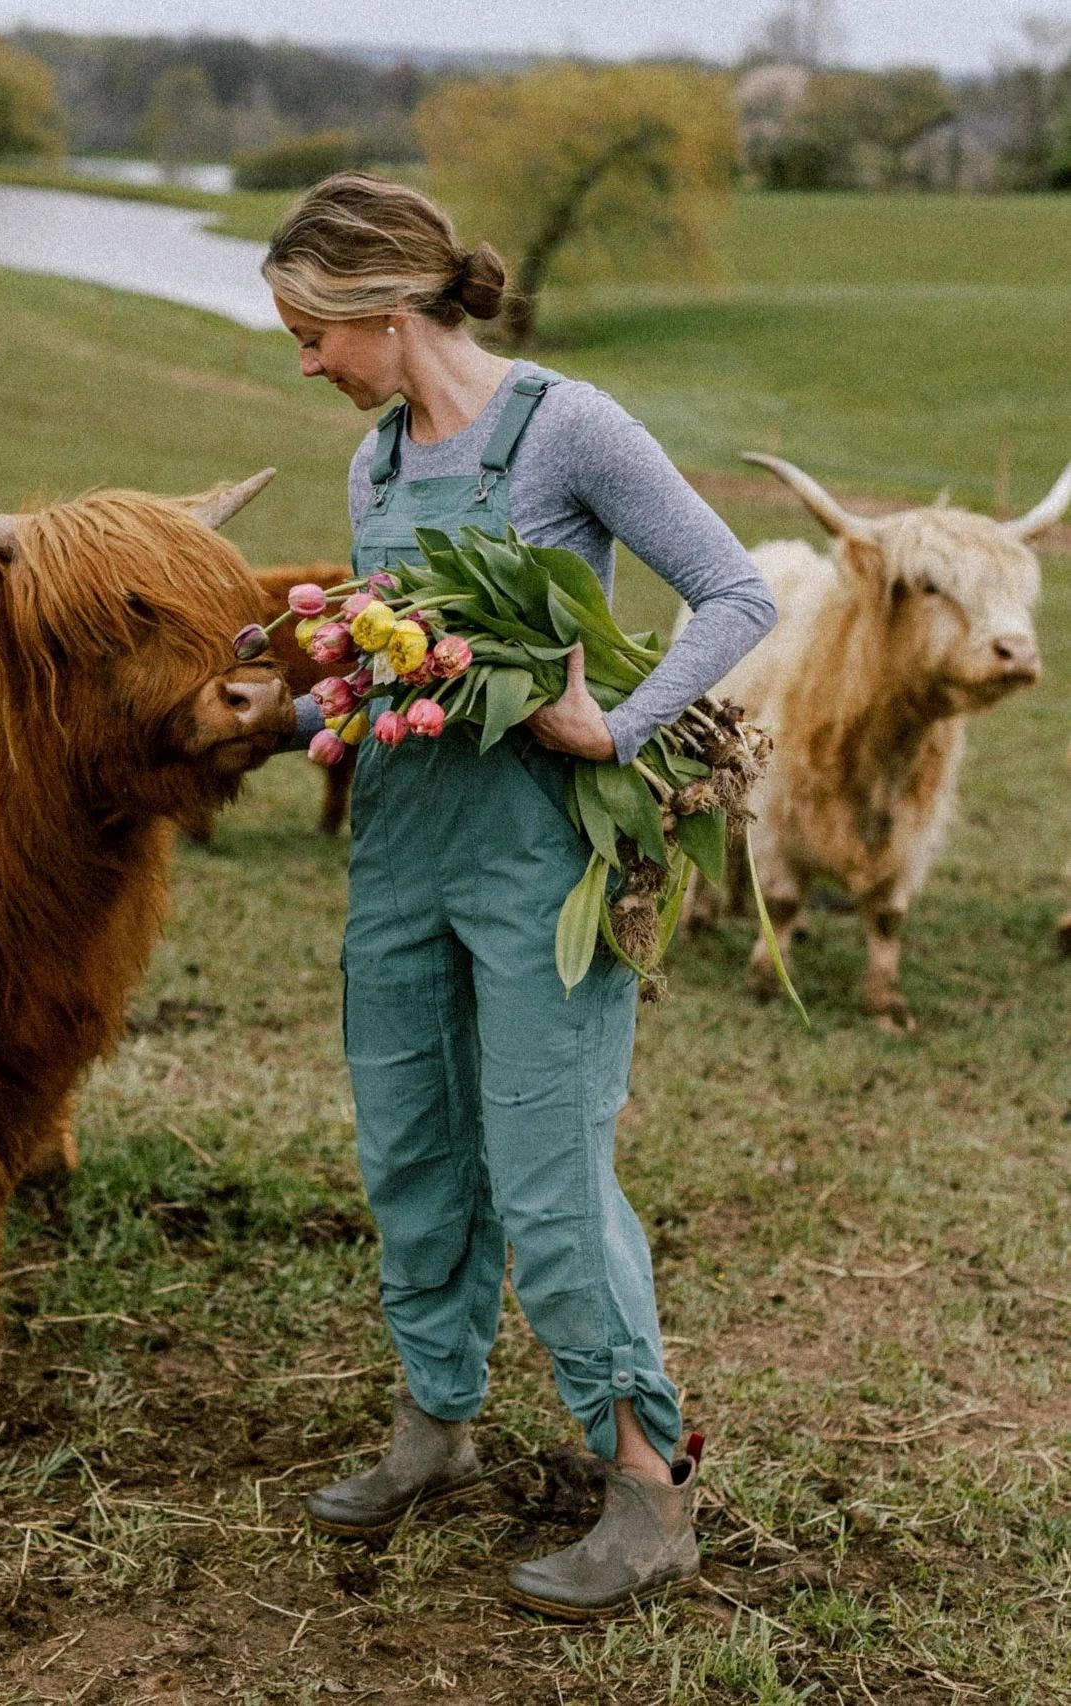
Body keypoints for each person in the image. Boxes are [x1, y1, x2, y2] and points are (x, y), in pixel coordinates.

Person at [261, 173, 776, 1618]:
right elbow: (396, 663)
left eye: (312, 330)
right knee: (412, 1150)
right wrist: (303, 713)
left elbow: (736, 594)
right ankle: (437, 1418)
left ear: (386, 305)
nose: (303, 360)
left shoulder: (570, 427)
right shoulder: (372, 464)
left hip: (542, 859)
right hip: (401, 854)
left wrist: (612, 727)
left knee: (549, 1181)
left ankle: (651, 1488)